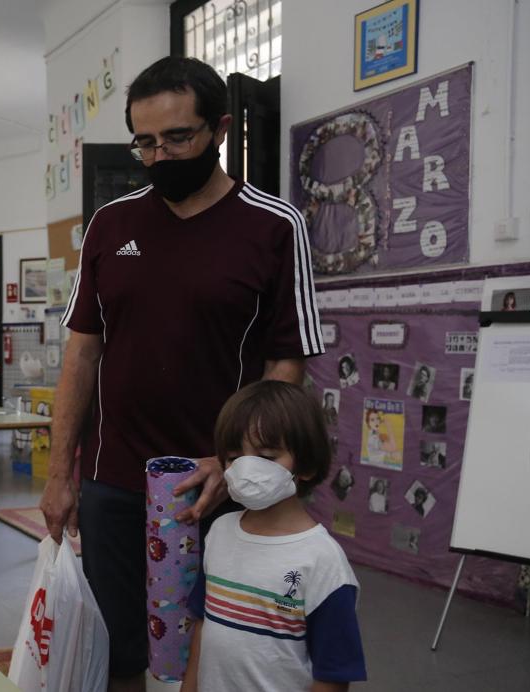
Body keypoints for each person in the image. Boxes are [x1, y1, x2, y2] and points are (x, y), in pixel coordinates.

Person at [39, 56, 323, 692]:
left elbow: (286, 362)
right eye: (145, 142)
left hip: (220, 486)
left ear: (220, 129)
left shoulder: (275, 226)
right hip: (113, 480)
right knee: (116, 653)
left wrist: (236, 463)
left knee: (215, 653)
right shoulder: (111, 226)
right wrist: (62, 475)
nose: (160, 155)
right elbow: (81, 355)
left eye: (177, 137)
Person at [181, 380, 366, 691]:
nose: (246, 468)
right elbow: (203, 624)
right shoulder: (219, 533)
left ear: (305, 464)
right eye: (233, 457)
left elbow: (333, 674)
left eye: (266, 456)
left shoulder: (323, 561)